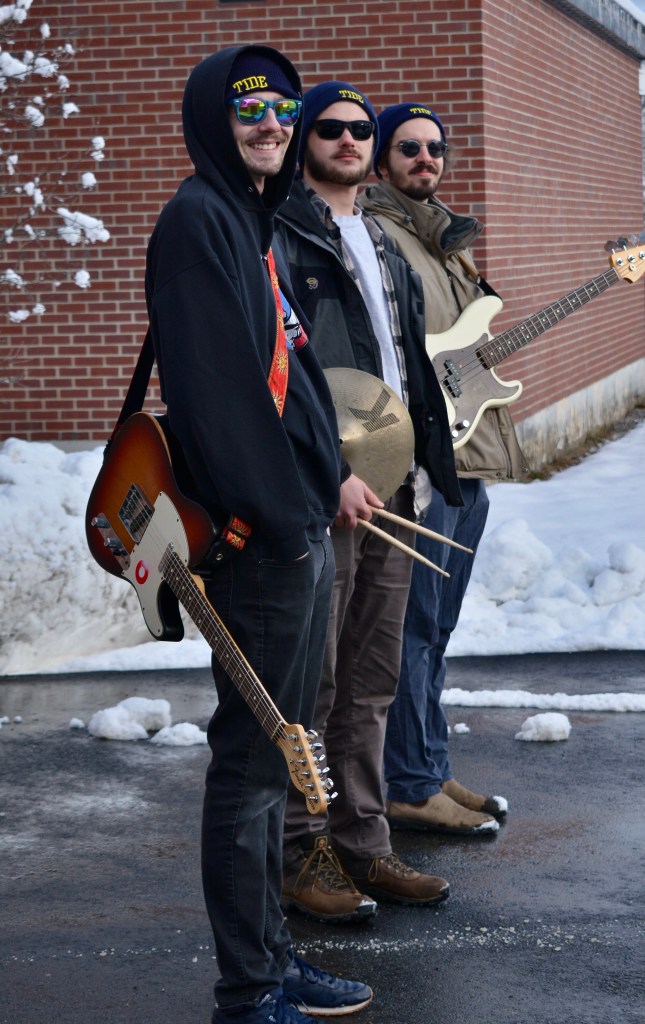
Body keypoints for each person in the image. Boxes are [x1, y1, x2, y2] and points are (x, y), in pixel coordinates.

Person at [145, 47, 373, 1024]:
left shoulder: (250, 217)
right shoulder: (198, 220)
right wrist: (281, 521)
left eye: (283, 107)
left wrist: (325, 482)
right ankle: (248, 990)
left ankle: (274, 960)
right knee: (252, 760)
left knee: (280, 755)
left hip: (296, 524)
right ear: (213, 118)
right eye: (249, 109)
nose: (272, 123)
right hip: (262, 541)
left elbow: (291, 376)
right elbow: (219, 399)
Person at [275, 81, 463, 924]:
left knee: (371, 679)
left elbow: (404, 366)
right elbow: (279, 375)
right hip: (327, 491)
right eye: (329, 128)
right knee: (312, 686)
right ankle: (302, 850)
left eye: (359, 129)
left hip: (394, 482)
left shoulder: (382, 239)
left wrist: (423, 463)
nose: (348, 140)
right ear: (303, 141)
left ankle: (362, 841)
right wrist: (325, 473)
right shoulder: (280, 233)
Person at [360, 102, 529, 837]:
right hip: (424, 464)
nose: (425, 157)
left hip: (467, 458)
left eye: (434, 147)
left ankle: (427, 766)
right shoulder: (377, 234)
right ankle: (407, 783)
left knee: (438, 627)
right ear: (382, 160)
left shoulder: (443, 239)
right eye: (408, 147)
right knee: (413, 628)